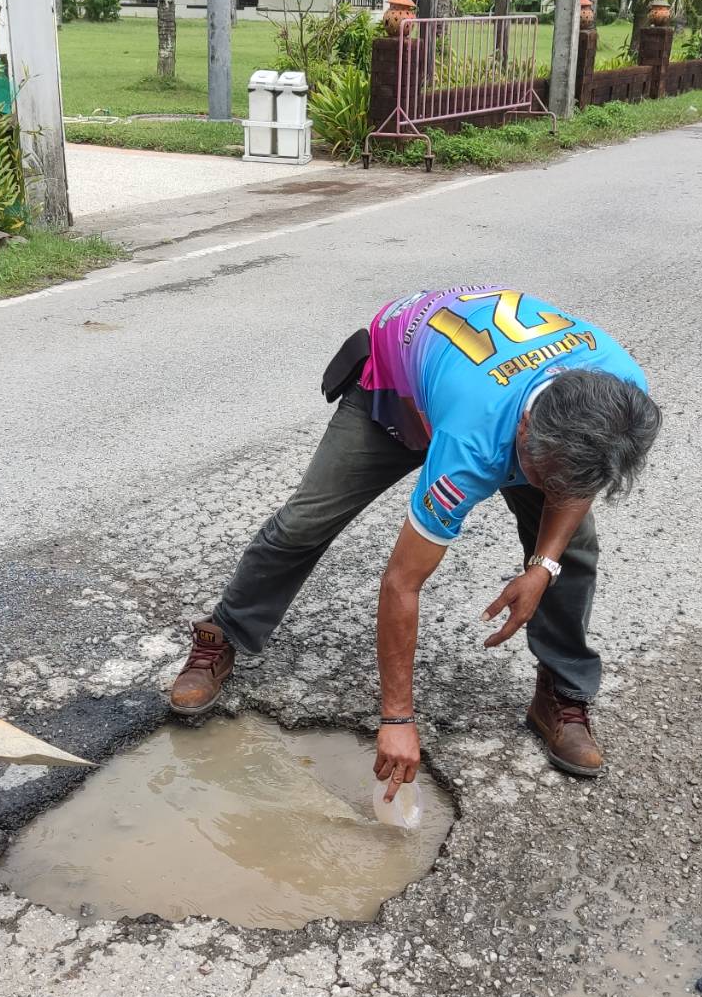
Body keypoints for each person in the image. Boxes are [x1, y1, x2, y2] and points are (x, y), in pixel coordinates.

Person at [169, 286, 662, 797]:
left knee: (572, 553)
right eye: (542, 475)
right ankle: (222, 634)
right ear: (525, 429)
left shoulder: (622, 395)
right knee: (304, 521)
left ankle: (559, 695)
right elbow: (402, 582)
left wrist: (542, 566)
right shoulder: (472, 443)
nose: (552, 490)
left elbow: (578, 485)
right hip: (400, 379)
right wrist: (397, 718)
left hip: (481, 376)